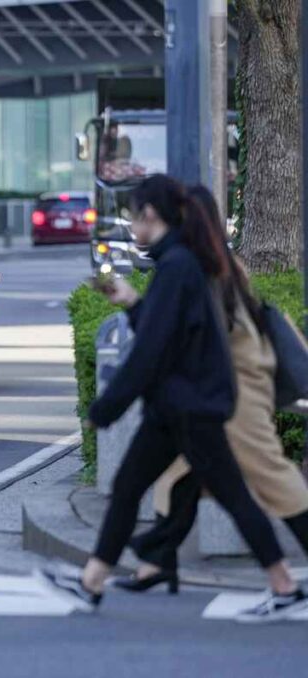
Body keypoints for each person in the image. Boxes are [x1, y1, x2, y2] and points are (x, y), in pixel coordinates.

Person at [35, 174, 307, 624]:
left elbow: (151, 351)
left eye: (133, 217)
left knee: (237, 497)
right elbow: (165, 336)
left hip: (192, 409)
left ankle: (281, 585)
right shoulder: (182, 265)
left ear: (150, 216)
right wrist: (130, 302)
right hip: (177, 407)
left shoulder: (180, 267)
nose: (131, 226)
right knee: (131, 488)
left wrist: (103, 410)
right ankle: (94, 583)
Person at [117, 185, 308, 592]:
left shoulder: (202, 268)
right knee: (179, 476)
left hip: (237, 391)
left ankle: (278, 580)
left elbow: (188, 337)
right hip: (224, 388)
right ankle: (158, 563)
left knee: (269, 475)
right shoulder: (215, 262)